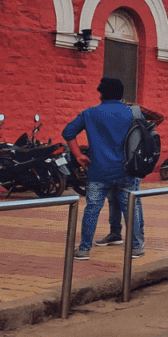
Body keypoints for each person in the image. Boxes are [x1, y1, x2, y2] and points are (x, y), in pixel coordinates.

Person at [62, 78, 148, 260]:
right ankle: (136, 247)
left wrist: (78, 155)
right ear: (121, 94)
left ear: (101, 93)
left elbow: (68, 132)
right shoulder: (133, 113)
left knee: (92, 208)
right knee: (131, 208)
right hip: (127, 171)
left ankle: (84, 249)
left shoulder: (90, 113)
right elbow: (147, 132)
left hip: (98, 171)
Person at [93, 104, 164, 248]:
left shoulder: (132, 110)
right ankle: (115, 234)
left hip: (131, 163)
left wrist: (143, 128)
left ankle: (137, 241)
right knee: (114, 200)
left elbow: (159, 118)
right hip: (116, 164)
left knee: (132, 202)